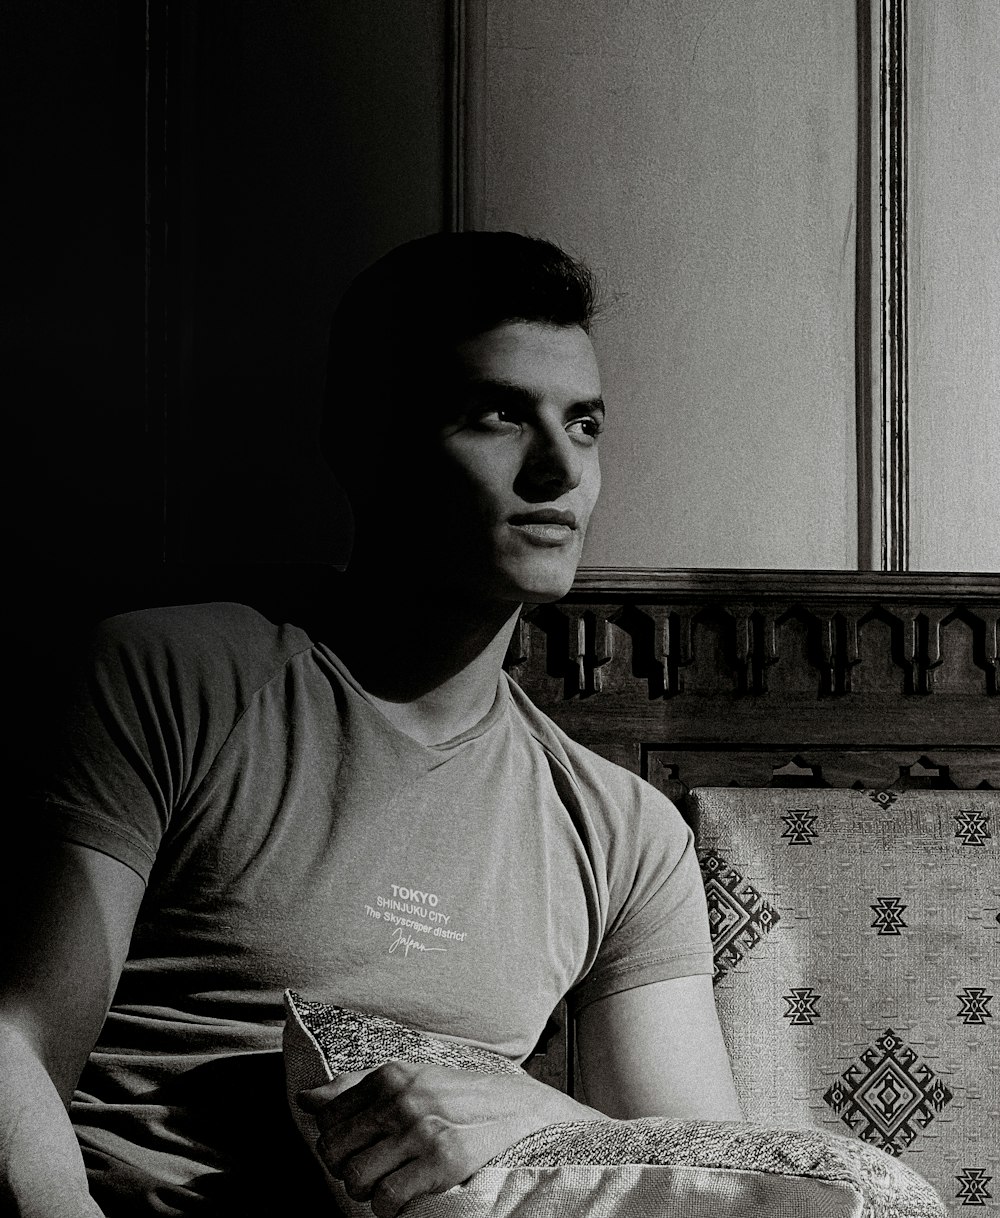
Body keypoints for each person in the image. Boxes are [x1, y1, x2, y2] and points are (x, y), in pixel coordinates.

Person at [1, 232, 740, 1218]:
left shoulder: (625, 832)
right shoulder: (170, 677)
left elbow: (695, 1173)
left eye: (586, 424)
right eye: (497, 415)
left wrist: (522, 1111)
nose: (560, 470)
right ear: (364, 442)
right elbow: (15, 1048)